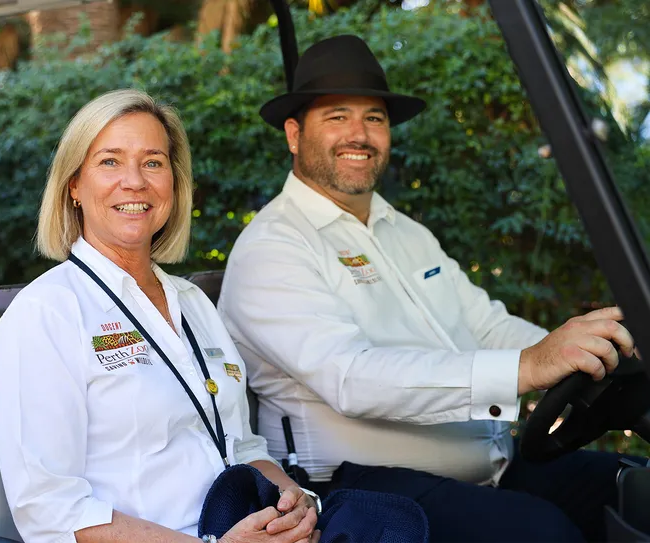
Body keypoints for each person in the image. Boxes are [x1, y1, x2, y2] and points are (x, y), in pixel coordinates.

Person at [217, 35, 641, 543]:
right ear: (293, 134)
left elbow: (485, 324)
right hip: (356, 490)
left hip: (493, 466)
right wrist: (526, 367)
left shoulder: (405, 232)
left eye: (374, 118)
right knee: (544, 533)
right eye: (337, 117)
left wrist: (577, 349)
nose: (360, 134)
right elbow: (352, 377)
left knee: (633, 488)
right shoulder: (273, 246)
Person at [0, 89, 320, 543]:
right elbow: (50, 509)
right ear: (74, 187)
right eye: (109, 161)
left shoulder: (194, 302)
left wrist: (294, 504)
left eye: (153, 162)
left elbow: (241, 447)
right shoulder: (45, 314)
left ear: (174, 184)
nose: (135, 181)